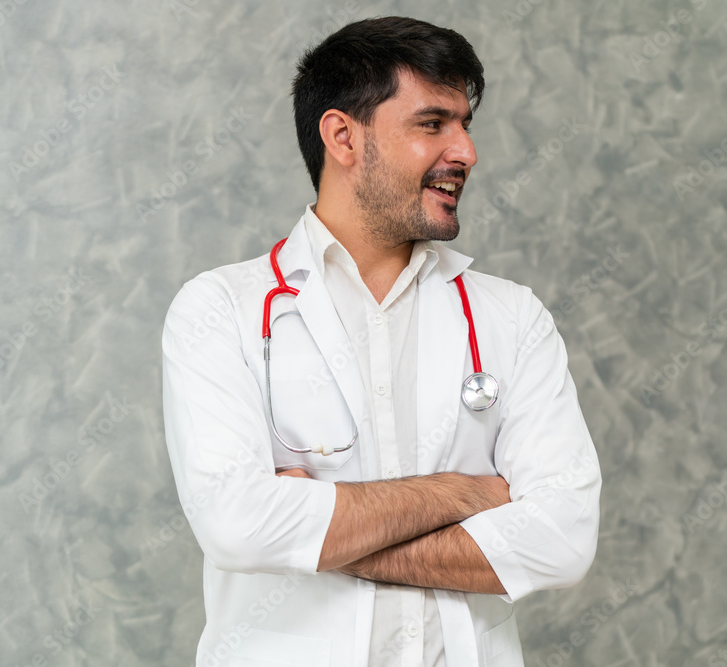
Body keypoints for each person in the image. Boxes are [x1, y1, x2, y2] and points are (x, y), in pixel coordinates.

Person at [161, 16, 601, 667]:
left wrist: (319, 528)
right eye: (433, 124)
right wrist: (461, 494)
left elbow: (564, 539)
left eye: (465, 124)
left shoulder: (513, 318)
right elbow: (237, 524)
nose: (466, 152)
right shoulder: (220, 309)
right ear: (343, 136)